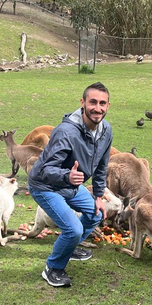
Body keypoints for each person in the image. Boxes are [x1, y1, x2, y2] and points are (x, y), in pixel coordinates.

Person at [27, 82, 113, 288]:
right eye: (93, 102)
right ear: (83, 103)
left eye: (102, 103)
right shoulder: (66, 132)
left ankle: (68, 247)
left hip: (70, 184)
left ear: (108, 106)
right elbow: (44, 170)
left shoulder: (105, 131)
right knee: (73, 229)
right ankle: (53, 268)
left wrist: (99, 197)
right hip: (45, 186)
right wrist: (67, 176)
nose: (97, 108)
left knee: (96, 214)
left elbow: (101, 166)